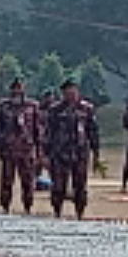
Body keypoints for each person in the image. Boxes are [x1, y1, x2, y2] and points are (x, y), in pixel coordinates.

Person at [44, 80, 100, 219]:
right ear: (63, 94)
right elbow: (48, 133)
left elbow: (93, 131)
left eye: (73, 92)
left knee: (80, 186)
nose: (71, 95)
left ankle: (79, 213)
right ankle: (57, 212)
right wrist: (45, 155)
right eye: (68, 93)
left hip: (80, 153)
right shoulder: (55, 110)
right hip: (60, 154)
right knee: (58, 186)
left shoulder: (86, 109)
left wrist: (96, 152)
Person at [0, 78, 45, 215]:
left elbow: (38, 129)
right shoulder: (4, 107)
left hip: (26, 151)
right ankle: (5, 206)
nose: (17, 91)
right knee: (7, 181)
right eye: (14, 89)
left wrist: (40, 152)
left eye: (19, 88)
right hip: (8, 151)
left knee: (27, 181)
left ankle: (27, 207)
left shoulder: (32, 106)